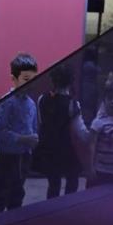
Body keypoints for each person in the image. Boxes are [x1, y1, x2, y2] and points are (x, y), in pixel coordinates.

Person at [0, 53, 39, 214]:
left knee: (17, 194)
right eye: (26, 79)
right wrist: (23, 139)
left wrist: (33, 140)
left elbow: (33, 127)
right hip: (6, 157)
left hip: (23, 157)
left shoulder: (31, 103)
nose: (30, 83)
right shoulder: (7, 102)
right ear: (14, 79)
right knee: (0, 195)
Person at [34, 65, 84, 199]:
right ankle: (67, 206)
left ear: (53, 81)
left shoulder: (42, 99)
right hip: (67, 149)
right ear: (71, 82)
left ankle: (51, 208)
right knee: (72, 180)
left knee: (53, 183)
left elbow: (41, 123)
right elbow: (79, 130)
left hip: (48, 148)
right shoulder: (73, 104)